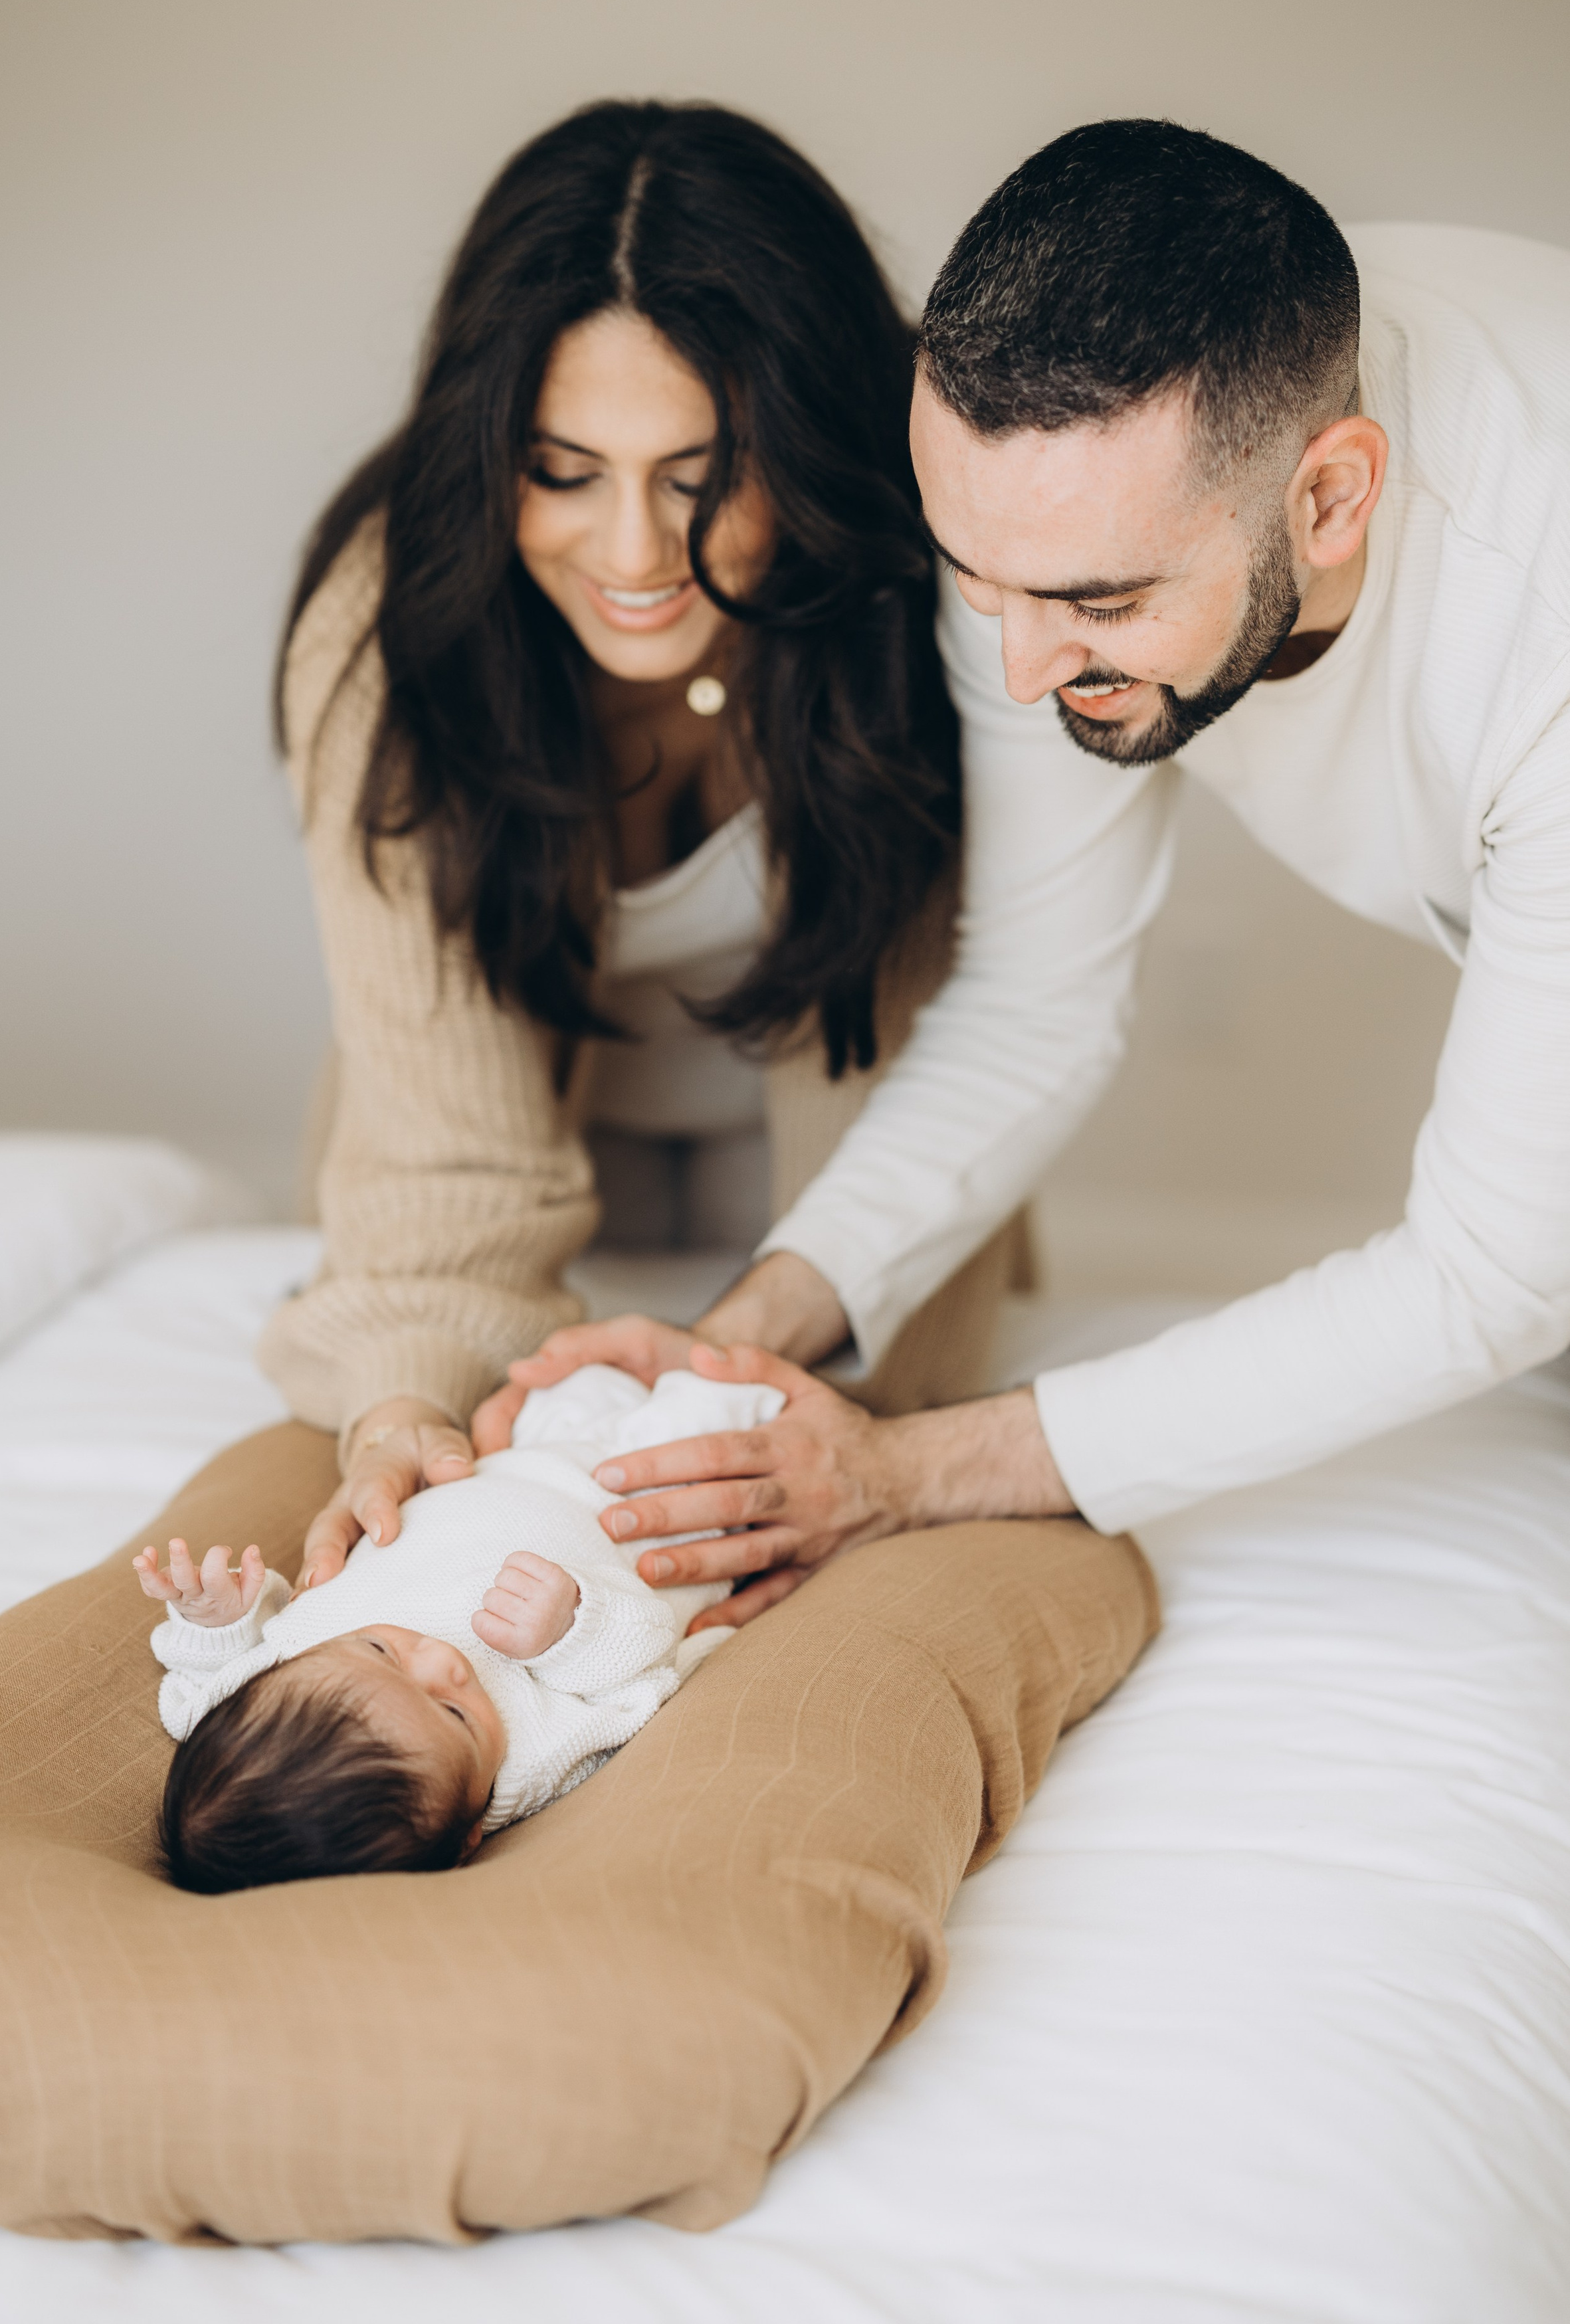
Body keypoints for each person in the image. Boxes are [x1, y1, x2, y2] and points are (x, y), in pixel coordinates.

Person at [494, 120, 1570, 1589]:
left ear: (1329, 499)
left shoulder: (1535, 621)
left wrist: (905, 1474)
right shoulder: (1052, 506)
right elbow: (1033, 1001)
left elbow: (1492, 1278)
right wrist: (734, 1339)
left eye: (1097, 605)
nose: (1016, 674)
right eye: (971, 581)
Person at [256, 98, 1032, 1616]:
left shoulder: (917, 611)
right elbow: (438, 1152)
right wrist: (407, 1404)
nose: (628, 555)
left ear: (804, 445)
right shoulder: (387, 625)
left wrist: (779, 1396)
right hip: (513, 1162)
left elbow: (927, 1108)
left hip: (820, 1184)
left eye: (698, 477)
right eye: (561, 469)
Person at [138, 1364, 784, 1893]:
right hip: (648, 1508)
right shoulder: (537, 1758)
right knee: (723, 1393)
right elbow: (645, 1678)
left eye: (379, 1649)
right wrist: (571, 1629)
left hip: (515, 1460)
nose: (444, 1665)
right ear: (469, 1829)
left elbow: (212, 1679)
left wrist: (217, 1619)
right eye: (453, 1714)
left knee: (572, 1375)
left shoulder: (274, 1688)